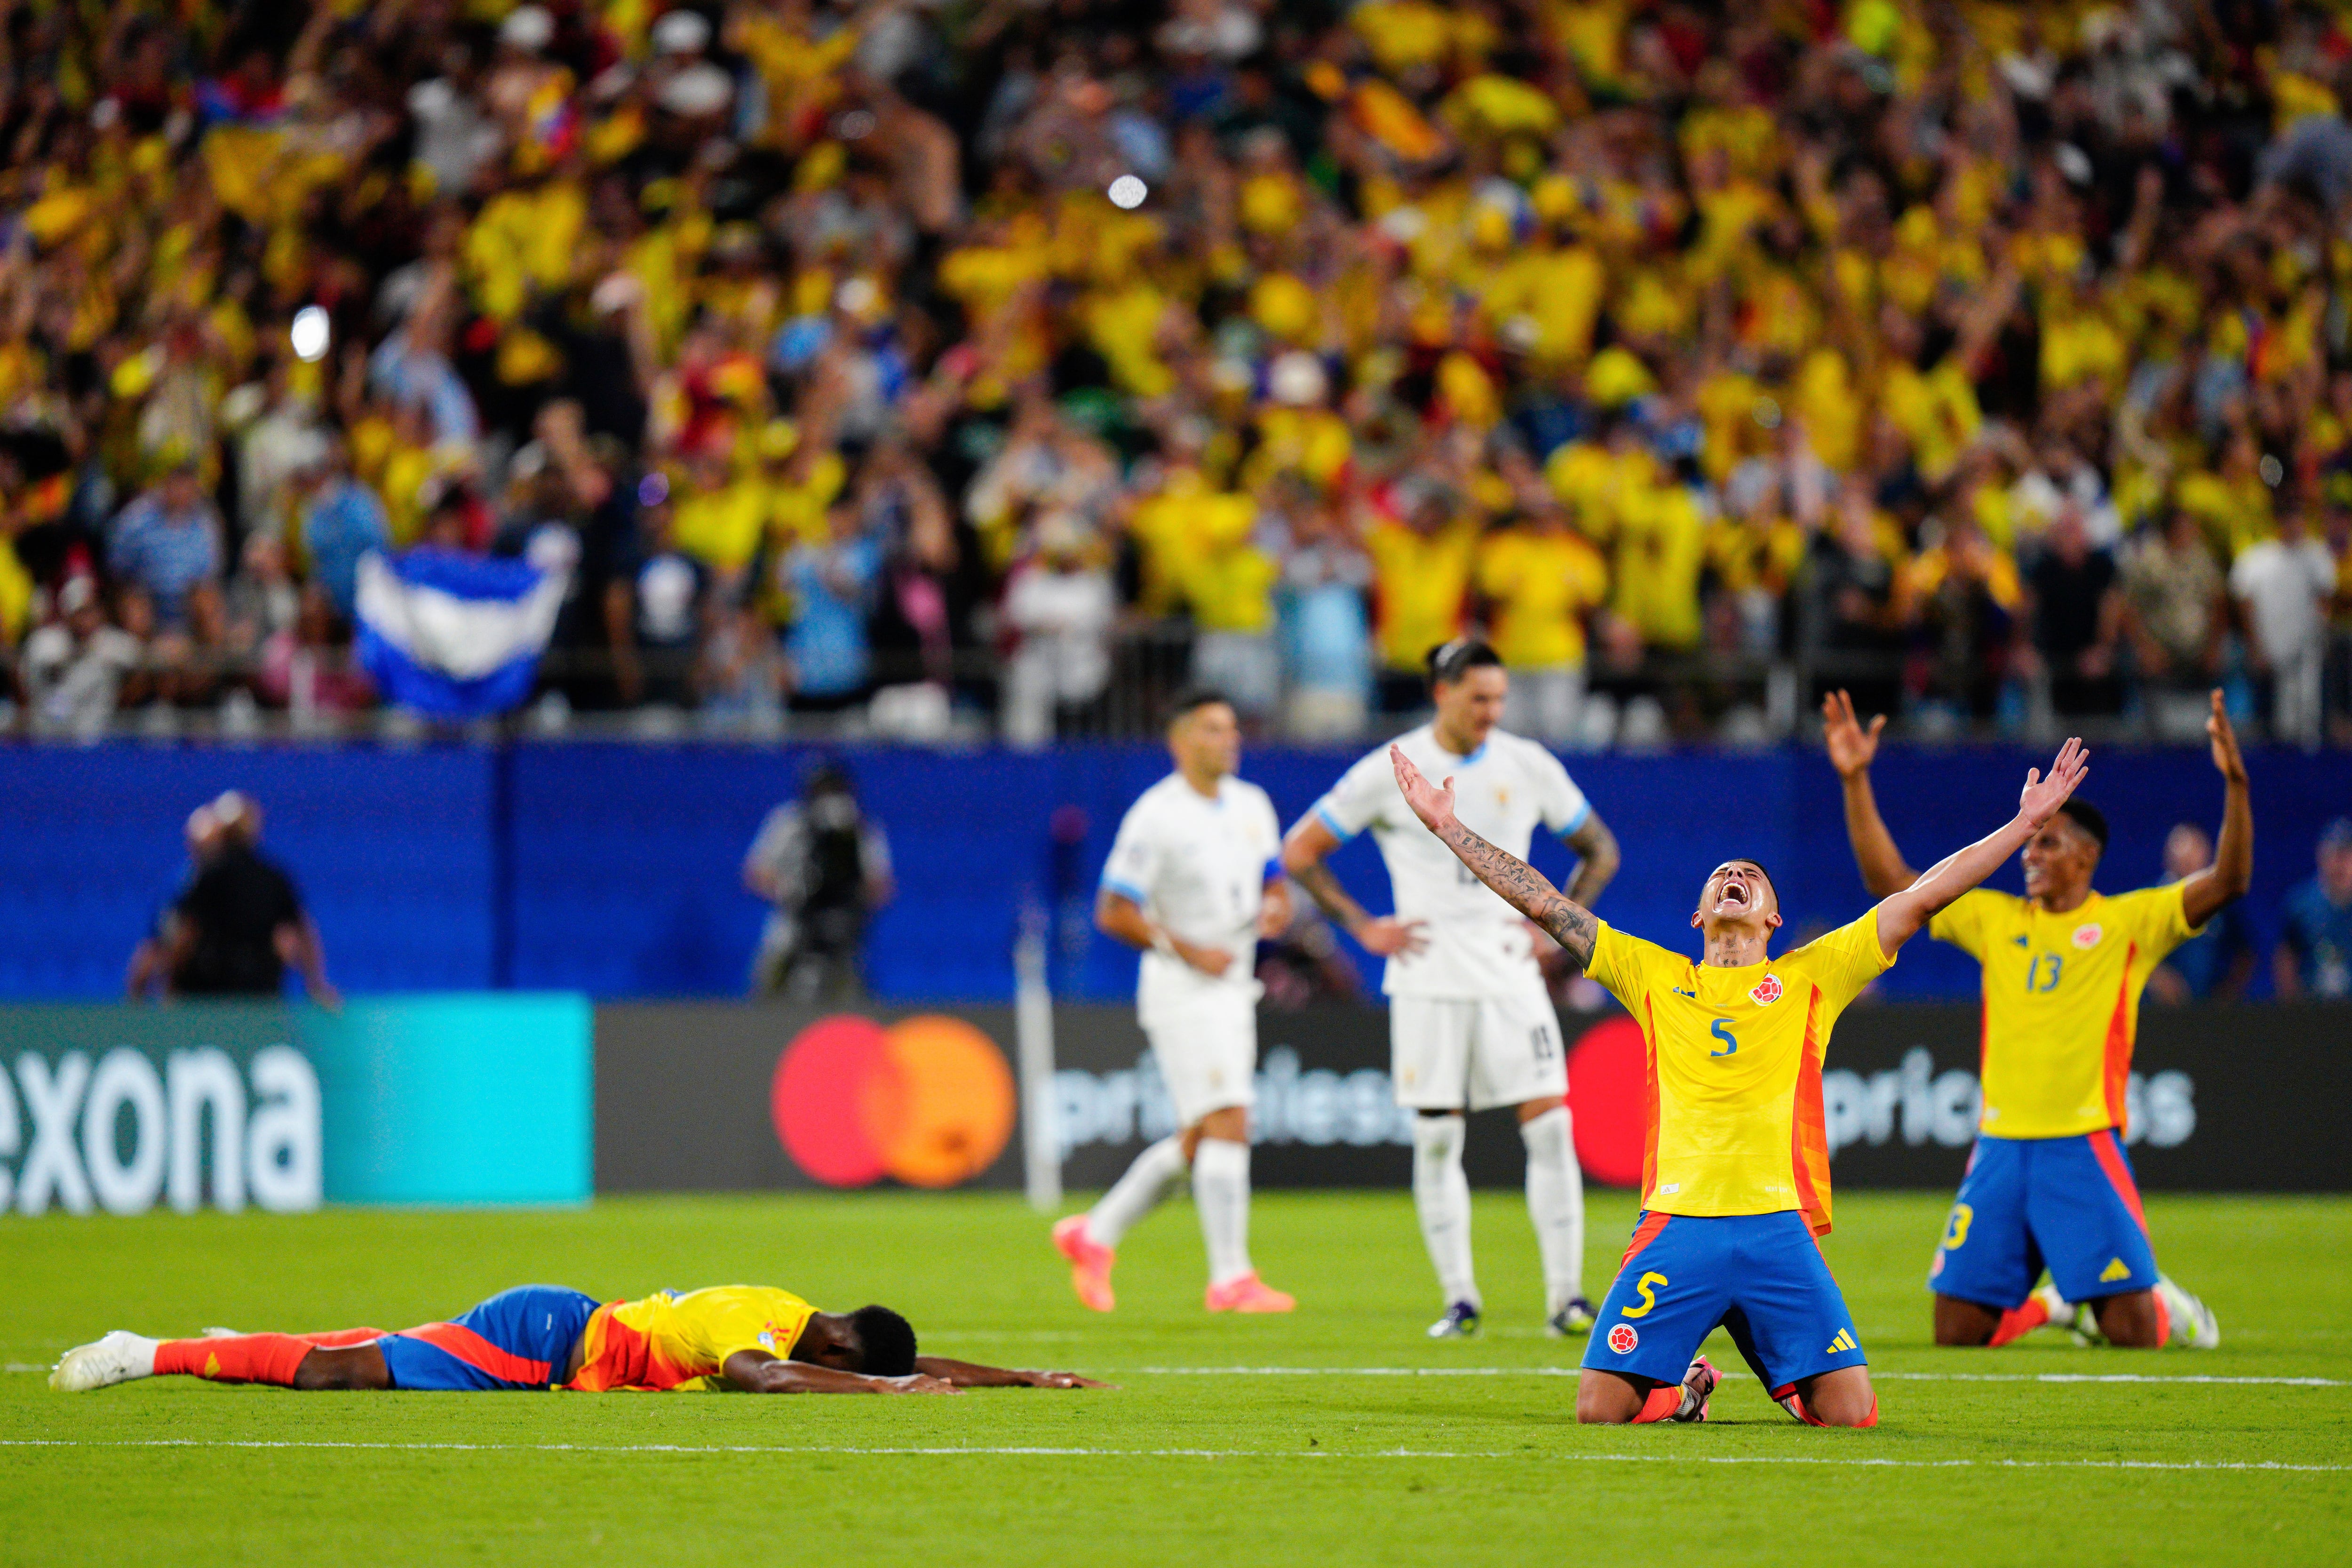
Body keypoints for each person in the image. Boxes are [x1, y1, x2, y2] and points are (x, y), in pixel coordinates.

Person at [1386, 732, 2092, 1425]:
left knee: (1850, 1415)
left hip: (1777, 1229)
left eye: (1752, 878)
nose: (1737, 877)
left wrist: (2024, 823)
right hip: (1676, 1225)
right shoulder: (1655, 975)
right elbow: (1545, 902)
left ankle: (1773, 1359)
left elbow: (1926, 894)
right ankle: (1688, 1385)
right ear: (1699, 914)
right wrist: (1450, 827)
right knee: (1600, 1409)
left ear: (1773, 918)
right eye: (1724, 875)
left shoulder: (1815, 975)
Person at [1823, 688, 2245, 1350]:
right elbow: (1892, 883)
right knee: (1957, 1332)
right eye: (2031, 843)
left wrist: (2237, 786)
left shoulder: (2127, 922)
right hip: (2000, 1144)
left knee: (2136, 1334)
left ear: (2086, 857)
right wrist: (1854, 780)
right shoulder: (1996, 920)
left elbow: (2228, 882)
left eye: (2048, 844)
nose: (2031, 854)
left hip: (2083, 1141)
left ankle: (2170, 1306)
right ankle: (2053, 1307)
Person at [1281, 638, 1621, 1338]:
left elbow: (1600, 849)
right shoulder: (1392, 768)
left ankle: (1567, 1298)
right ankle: (1460, 1298)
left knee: (1553, 1128)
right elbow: (1299, 851)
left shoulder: (1527, 763)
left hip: (1509, 973)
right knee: (1438, 1140)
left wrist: (1556, 935)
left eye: (1499, 698)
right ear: (1442, 693)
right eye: (1479, 699)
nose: (1491, 712)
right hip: (1428, 974)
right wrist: (1362, 927)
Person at [1054, 688, 1296, 1314]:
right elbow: (1113, 910)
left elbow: (1275, 882)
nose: (1230, 739)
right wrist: (1187, 949)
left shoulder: (1253, 805)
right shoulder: (1156, 815)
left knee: (1199, 1136)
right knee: (1230, 1121)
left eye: (1233, 727)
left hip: (1235, 986)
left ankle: (1095, 1234)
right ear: (1182, 741)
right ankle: (1231, 1278)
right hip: (1183, 990)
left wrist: (1275, 906)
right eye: (1214, 729)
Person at [50, 1282, 1107, 1396]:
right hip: (549, 1341)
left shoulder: (802, 1314)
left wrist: (1019, 1374)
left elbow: (892, 1358)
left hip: (562, 1323)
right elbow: (756, 1378)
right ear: (837, 1353)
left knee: (388, 1343)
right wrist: (883, 1399)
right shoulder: (756, 1332)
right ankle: (145, 1349)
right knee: (342, 1375)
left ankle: (238, 1341)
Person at [163, 791, 338, 1006]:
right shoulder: (274, 876)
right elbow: (303, 932)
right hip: (260, 993)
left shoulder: (205, 876)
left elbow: (187, 934)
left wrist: (171, 986)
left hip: (209, 996)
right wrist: (316, 985)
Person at [743, 760, 895, 1000]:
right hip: (792, 922)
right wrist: (791, 891)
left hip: (843, 928)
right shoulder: (788, 822)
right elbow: (756, 873)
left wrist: (852, 898)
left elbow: (881, 886)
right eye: (822, 792)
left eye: (833, 792)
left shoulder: (862, 829)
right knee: (770, 981)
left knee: (848, 992)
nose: (828, 800)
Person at [2148, 823, 2256, 1003]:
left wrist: (2230, 991)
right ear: (2169, 859)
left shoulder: (2223, 902)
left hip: (2211, 1008)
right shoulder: (2151, 903)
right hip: (2162, 1010)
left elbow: (2245, 951)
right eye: (2182, 857)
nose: (2189, 862)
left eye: (2195, 853)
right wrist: (2159, 979)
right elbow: (2131, 952)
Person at [2275, 818, 2352, 1000]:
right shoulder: (2300, 903)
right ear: (2321, 857)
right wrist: (2292, 1004)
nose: (2340, 865)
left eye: (2347, 857)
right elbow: (2286, 955)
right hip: (2312, 1005)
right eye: (2334, 856)